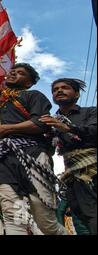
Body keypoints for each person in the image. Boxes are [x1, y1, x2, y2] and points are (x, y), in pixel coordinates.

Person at [0, 63, 68, 235]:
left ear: (29, 83)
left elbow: (40, 123)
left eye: (20, 73)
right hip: (5, 160)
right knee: (13, 218)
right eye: (12, 71)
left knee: (46, 224)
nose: (13, 73)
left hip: (33, 155)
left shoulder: (34, 96)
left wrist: (6, 129)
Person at [39, 78, 96, 234]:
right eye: (55, 89)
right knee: (79, 216)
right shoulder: (51, 122)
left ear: (77, 94)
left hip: (92, 170)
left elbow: (93, 132)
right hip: (71, 175)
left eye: (65, 87)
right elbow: (48, 148)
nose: (59, 90)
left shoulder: (91, 112)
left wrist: (68, 128)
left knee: (92, 213)